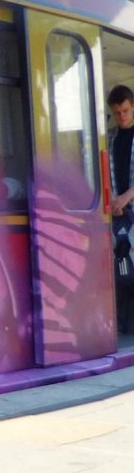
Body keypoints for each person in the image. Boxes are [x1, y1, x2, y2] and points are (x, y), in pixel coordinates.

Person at [108, 85, 134, 331]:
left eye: (125, 110)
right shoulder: (110, 139)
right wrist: (115, 202)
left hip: (129, 204)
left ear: (133, 107)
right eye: (117, 112)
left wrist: (126, 197)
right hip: (119, 213)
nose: (122, 116)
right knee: (122, 266)